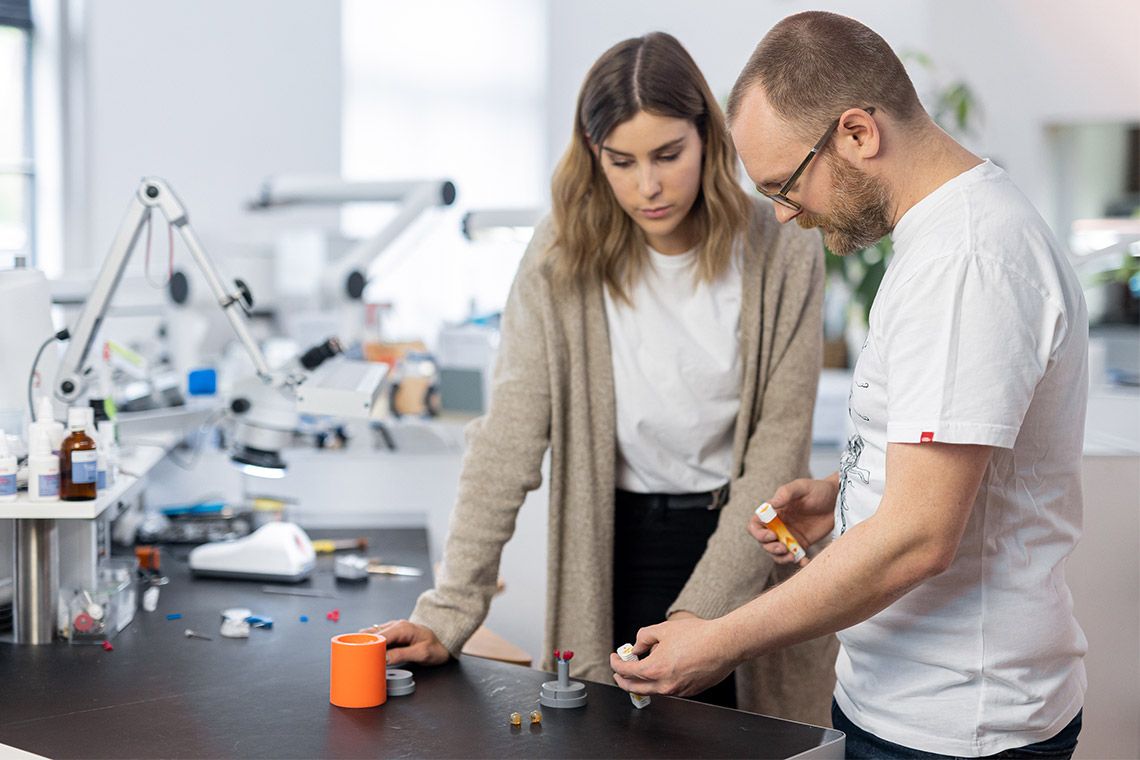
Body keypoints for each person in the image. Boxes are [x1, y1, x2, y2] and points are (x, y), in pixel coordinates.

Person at [610, 12, 1088, 759]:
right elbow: (966, 454)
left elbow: (918, 538)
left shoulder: (965, 262)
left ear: (858, 133)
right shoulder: (940, 237)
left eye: (786, 185)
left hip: (957, 724)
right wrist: (847, 488)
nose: (782, 214)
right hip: (904, 701)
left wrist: (721, 641)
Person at [367, 31, 838, 722]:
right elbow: (508, 441)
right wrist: (450, 609)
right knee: (610, 732)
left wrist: (699, 619)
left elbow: (777, 452)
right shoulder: (559, 254)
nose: (647, 186)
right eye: (622, 161)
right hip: (612, 544)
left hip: (741, 547)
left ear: (707, 136)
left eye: (668, 155)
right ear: (594, 155)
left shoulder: (782, 248)